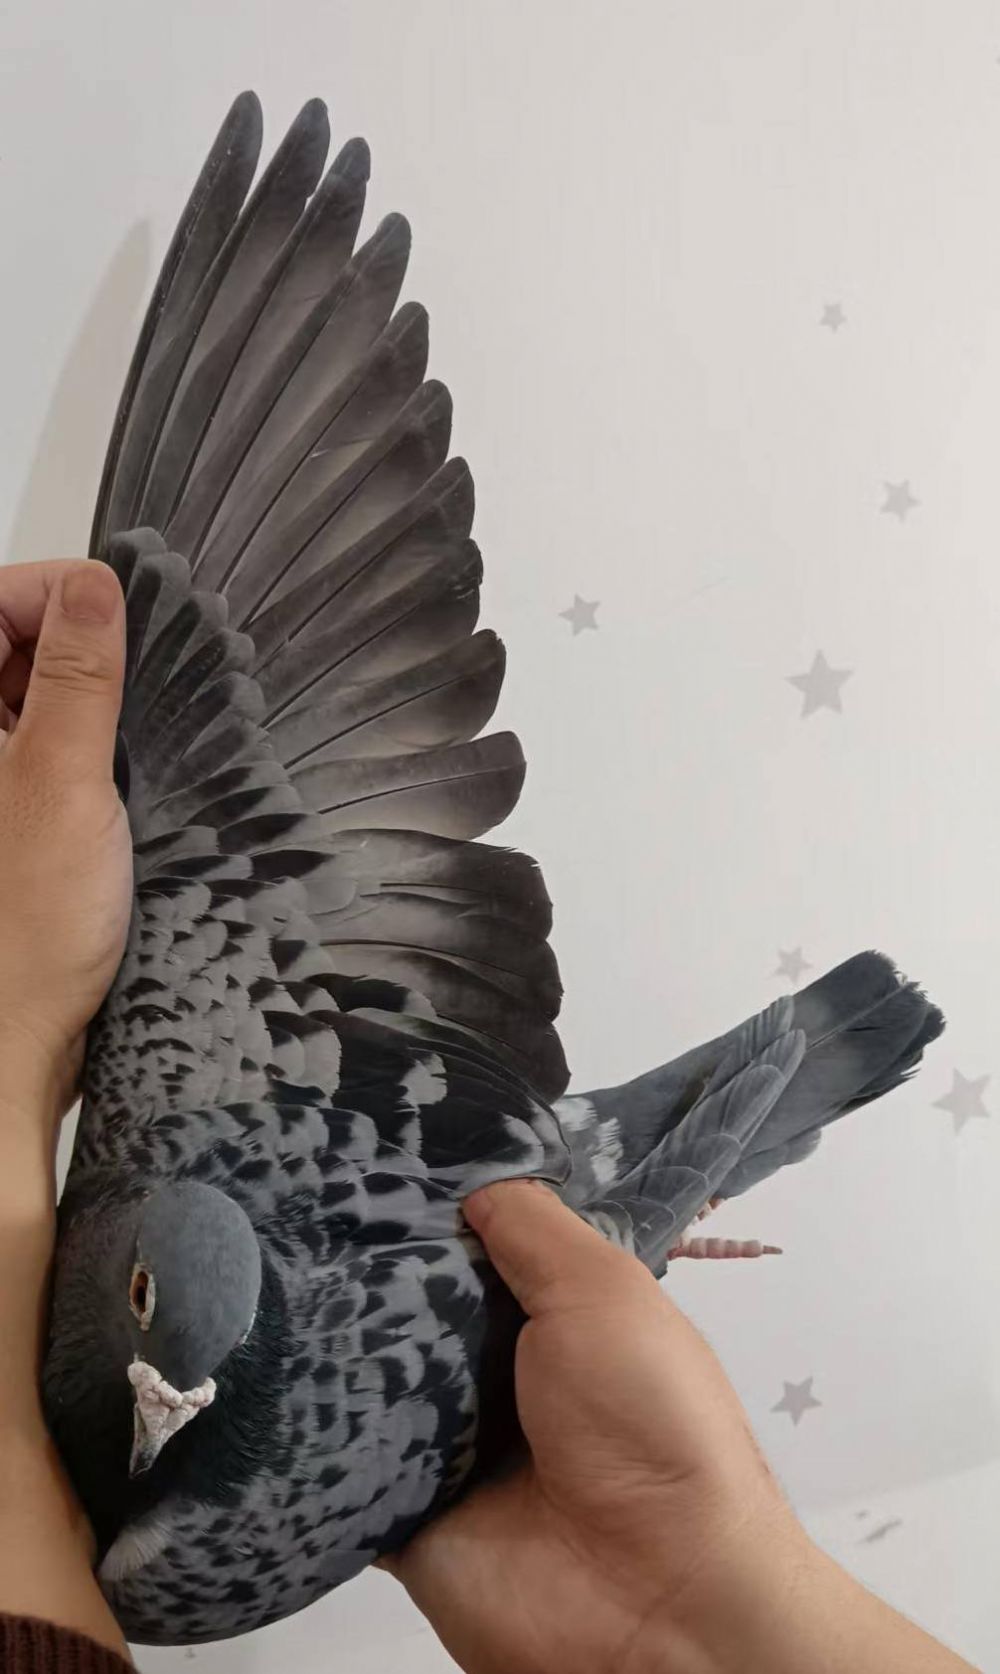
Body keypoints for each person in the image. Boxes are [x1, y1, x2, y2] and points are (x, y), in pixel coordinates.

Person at [0, 559, 978, 1674]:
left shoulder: (179, 1539)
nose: (164, 1419)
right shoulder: (172, 1147)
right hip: (502, 1234)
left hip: (501, 1241)